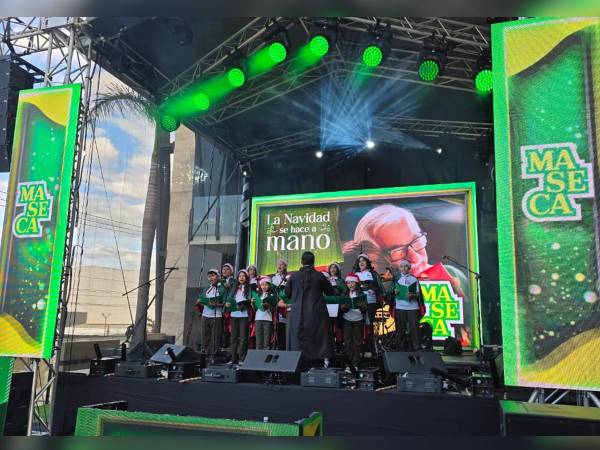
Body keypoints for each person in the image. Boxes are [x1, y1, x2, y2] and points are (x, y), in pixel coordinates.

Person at [342, 204, 470, 345]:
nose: (414, 258)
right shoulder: (371, 280)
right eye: (397, 251)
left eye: (417, 241)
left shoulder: (451, 276)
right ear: (372, 258)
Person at [284, 251, 335, 367]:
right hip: (316, 312)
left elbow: (287, 294)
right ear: (313, 262)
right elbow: (330, 291)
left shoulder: (294, 276)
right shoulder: (319, 275)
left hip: (297, 313)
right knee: (319, 335)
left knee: (298, 336)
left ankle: (296, 363)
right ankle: (320, 362)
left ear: (301, 262)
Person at [353, 253, 384, 356]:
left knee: (369, 325)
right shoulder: (354, 274)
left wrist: (370, 287)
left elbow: (380, 288)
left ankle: (369, 349)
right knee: (358, 326)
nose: (361, 263)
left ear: (367, 263)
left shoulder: (373, 274)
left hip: (370, 302)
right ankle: (358, 350)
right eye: (360, 261)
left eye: (364, 261)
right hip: (358, 303)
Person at [392, 260, 422, 351]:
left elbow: (419, 294)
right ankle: (399, 348)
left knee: (414, 329)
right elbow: (389, 292)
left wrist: (412, 295)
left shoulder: (414, 279)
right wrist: (394, 292)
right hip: (400, 307)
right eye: (402, 266)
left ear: (409, 268)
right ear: (399, 268)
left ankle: (417, 347)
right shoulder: (396, 279)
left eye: (406, 266)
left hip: (413, 307)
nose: (404, 268)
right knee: (400, 329)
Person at [225, 269, 253, 365]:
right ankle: (233, 359)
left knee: (243, 337)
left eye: (243, 276)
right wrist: (228, 304)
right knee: (233, 337)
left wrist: (242, 306)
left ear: (246, 278)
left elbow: (249, 301)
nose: (241, 278)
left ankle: (241, 358)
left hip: (243, 315)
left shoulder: (248, 288)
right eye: (240, 276)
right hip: (234, 314)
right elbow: (230, 299)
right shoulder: (234, 287)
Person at [197, 269, 225, 362]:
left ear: (218, 276)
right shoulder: (206, 288)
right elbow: (201, 299)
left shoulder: (221, 288)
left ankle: (213, 357)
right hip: (205, 315)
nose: (211, 278)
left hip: (216, 316)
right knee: (205, 337)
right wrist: (200, 302)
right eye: (209, 276)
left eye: (213, 275)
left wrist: (217, 304)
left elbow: (225, 302)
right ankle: (204, 357)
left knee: (215, 338)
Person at [340, 273, 367, 372]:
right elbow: (341, 307)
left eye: (352, 282)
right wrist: (343, 308)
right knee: (347, 342)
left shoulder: (361, 294)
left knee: (357, 342)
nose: (350, 285)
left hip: (358, 319)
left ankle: (355, 364)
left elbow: (365, 309)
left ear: (356, 283)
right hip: (347, 319)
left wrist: (361, 306)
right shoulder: (344, 294)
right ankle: (348, 364)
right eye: (348, 283)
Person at [254, 276, 277, 350]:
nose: (264, 286)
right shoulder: (258, 295)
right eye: (262, 284)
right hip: (258, 319)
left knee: (266, 341)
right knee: (258, 341)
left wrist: (268, 305)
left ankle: (265, 358)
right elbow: (255, 309)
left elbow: (274, 309)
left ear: (269, 285)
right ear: (260, 286)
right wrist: (252, 303)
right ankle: (258, 358)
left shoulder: (272, 295)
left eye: (266, 284)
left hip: (268, 319)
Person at [271, 259, 289, 350]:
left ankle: (285, 350)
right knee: (277, 330)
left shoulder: (288, 277)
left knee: (285, 331)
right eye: (278, 264)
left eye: (282, 264)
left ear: (285, 266)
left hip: (285, 306)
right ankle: (278, 349)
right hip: (276, 307)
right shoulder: (273, 278)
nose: (279, 266)